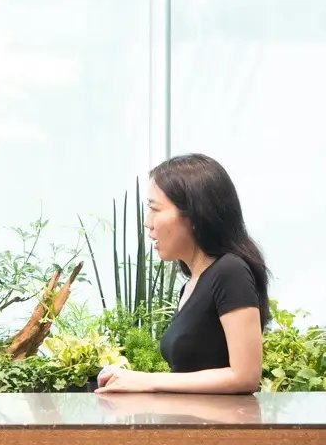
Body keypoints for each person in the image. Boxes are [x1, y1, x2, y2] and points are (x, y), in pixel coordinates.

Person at [96, 153, 267, 395]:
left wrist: (147, 381)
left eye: (155, 209)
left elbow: (244, 375)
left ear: (195, 215)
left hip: (219, 430)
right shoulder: (190, 286)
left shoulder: (231, 272)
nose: (147, 223)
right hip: (188, 427)